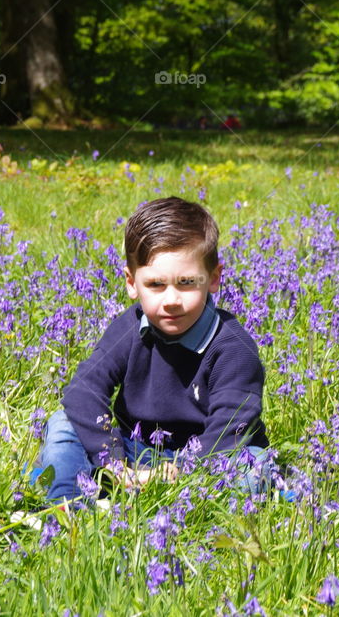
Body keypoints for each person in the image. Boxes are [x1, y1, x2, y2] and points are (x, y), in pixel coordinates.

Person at [34, 196, 270, 502]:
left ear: (213, 279)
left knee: (255, 470)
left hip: (207, 456)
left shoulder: (233, 347)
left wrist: (177, 473)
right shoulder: (129, 328)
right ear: (132, 283)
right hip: (133, 451)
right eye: (156, 285)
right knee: (64, 424)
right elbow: (84, 390)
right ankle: (66, 504)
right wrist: (114, 462)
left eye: (186, 283)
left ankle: (161, 501)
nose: (171, 299)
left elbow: (231, 427)